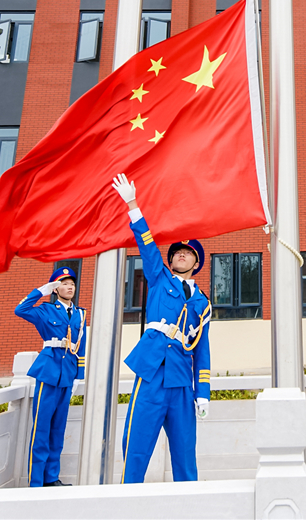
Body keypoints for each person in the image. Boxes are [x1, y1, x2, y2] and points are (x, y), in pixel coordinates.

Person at [111, 173, 211, 483]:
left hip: (181, 382)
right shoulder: (159, 278)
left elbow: (202, 350)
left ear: (196, 263)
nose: (181, 254)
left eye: (188, 253)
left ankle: (187, 502)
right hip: (152, 372)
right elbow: (147, 244)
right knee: (136, 448)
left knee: (185, 453)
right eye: (177, 252)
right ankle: (128, 499)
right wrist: (133, 205)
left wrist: (203, 393)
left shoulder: (203, 303)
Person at [14, 265, 86, 487]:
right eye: (64, 284)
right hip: (49, 371)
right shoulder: (46, 310)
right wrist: (40, 291)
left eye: (72, 284)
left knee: (58, 429)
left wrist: (79, 375)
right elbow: (20, 310)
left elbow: (80, 345)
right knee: (42, 428)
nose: (70, 287)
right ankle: (36, 481)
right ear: (56, 289)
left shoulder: (80, 313)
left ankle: (51, 477)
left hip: (68, 373)